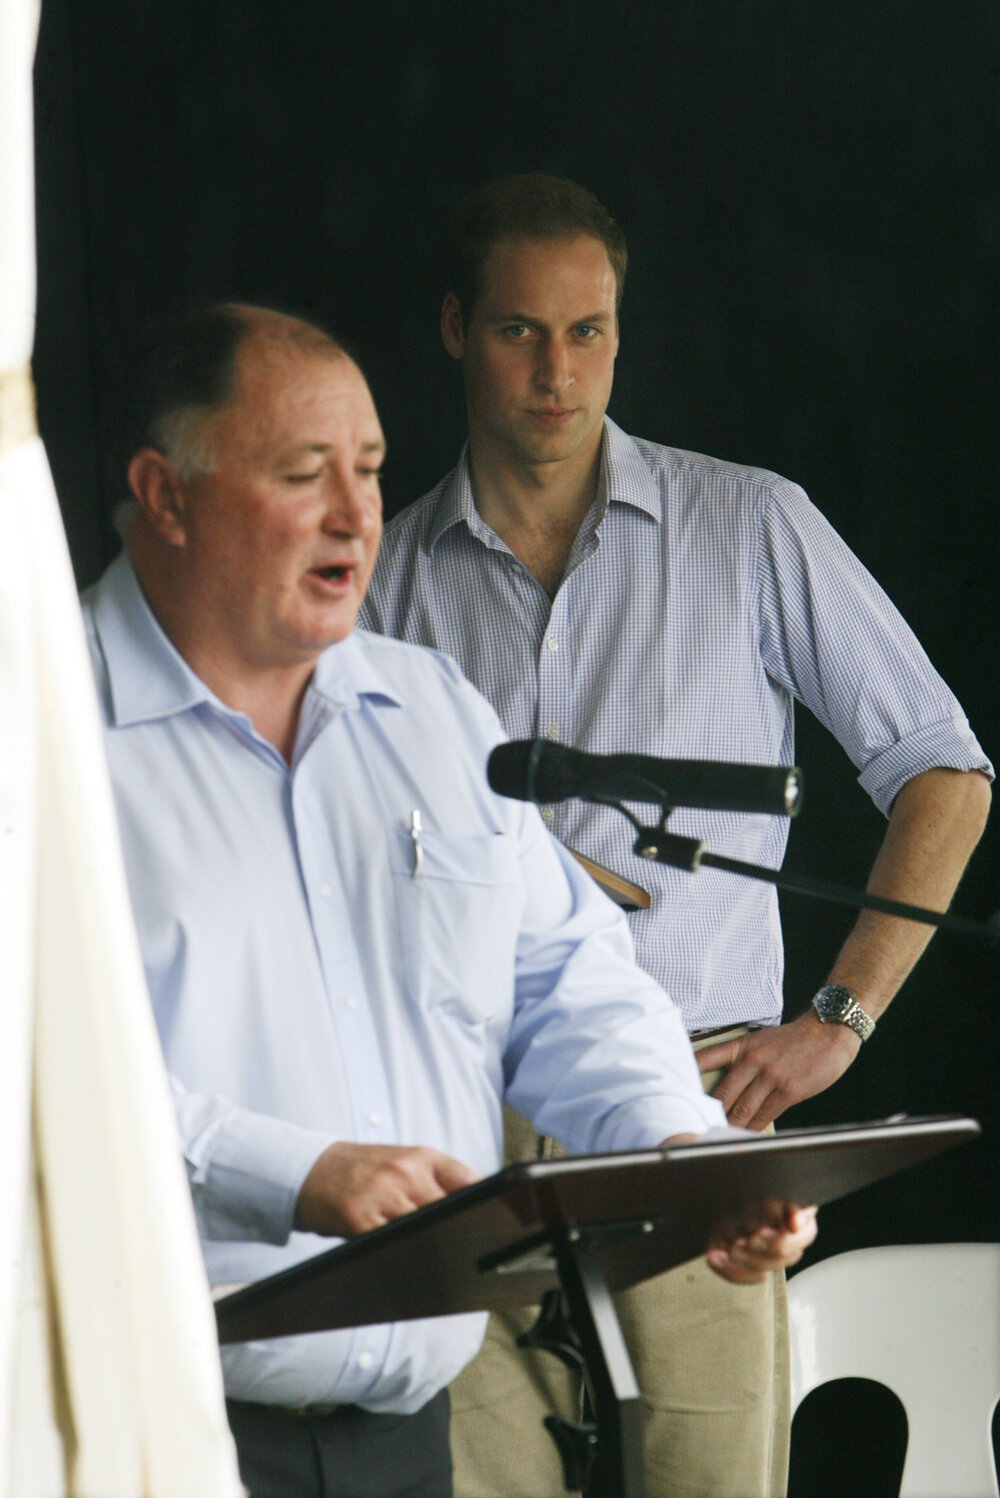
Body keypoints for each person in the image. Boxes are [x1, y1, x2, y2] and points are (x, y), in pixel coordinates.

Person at [82, 301, 816, 1498]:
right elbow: (36, 1081)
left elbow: (566, 985)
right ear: (164, 496)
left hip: (406, 1441)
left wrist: (684, 1160)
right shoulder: (44, 734)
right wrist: (298, 1169)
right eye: (301, 474)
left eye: (368, 471)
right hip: (153, 1437)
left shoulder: (429, 713)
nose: (355, 515)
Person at [360, 174, 994, 1498]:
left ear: (621, 337)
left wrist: (842, 1013)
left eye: (587, 331)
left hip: (699, 1110)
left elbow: (947, 770)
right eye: (520, 330)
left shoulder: (748, 523)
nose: (556, 369)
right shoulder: (379, 577)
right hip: (466, 1117)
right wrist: (501, 870)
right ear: (452, 330)